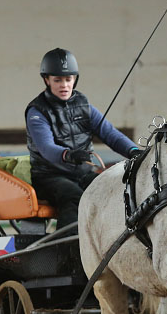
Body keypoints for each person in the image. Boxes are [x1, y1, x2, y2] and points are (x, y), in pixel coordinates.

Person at [25, 48, 140, 229]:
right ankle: (66, 252)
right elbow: (46, 147)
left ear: (75, 79)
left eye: (68, 79)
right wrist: (68, 155)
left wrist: (134, 151)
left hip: (81, 173)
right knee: (73, 196)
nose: (64, 85)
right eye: (58, 80)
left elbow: (109, 133)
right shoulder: (37, 111)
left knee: (112, 190)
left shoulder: (83, 105)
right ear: (47, 80)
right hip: (48, 177)